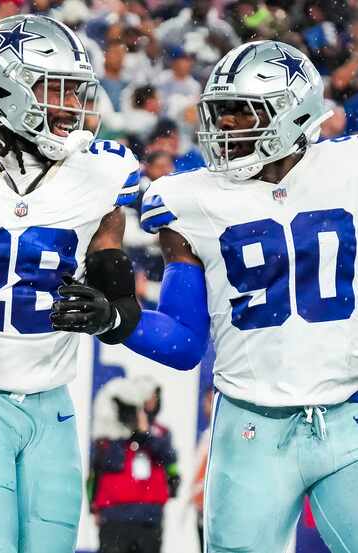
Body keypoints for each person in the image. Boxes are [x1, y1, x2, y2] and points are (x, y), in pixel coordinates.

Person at [124, 40, 358, 553]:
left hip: (349, 412)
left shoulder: (348, 169)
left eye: (240, 111)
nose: (225, 126)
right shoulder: (189, 198)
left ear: (293, 114)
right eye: (219, 111)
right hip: (250, 420)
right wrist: (116, 321)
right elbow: (185, 343)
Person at [0, 15, 142, 552]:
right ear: (1, 86)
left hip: (53, 401)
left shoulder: (101, 175)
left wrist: (106, 315)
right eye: (53, 88)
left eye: (75, 90)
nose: (70, 106)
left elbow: (123, 308)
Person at [87, 377, 178, 553]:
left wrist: (144, 435)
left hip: (149, 518)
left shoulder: (160, 433)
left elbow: (169, 458)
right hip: (114, 517)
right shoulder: (108, 437)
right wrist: (93, 506)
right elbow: (99, 469)